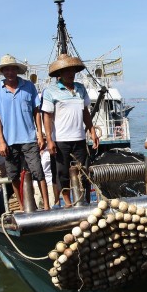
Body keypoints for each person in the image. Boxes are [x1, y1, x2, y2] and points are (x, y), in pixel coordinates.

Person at [0, 54, 50, 210]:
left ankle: (47, 206)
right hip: (9, 141)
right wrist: (1, 141)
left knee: (38, 172)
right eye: (6, 69)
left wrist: (39, 133)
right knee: (13, 175)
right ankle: (23, 207)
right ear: (2, 72)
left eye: (12, 69)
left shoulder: (29, 86)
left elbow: (36, 111)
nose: (9, 72)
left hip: (29, 138)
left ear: (16, 70)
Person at [41, 54, 100, 207]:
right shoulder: (50, 91)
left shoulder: (80, 88)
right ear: (59, 73)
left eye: (72, 70)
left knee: (84, 172)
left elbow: (85, 111)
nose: (70, 74)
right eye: (66, 71)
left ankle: (84, 200)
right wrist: (49, 139)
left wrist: (92, 130)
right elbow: (46, 116)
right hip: (60, 139)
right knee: (62, 173)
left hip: (79, 138)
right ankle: (67, 202)